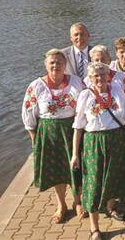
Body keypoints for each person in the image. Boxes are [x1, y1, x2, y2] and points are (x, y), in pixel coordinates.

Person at [71, 62, 125, 240]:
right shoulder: (85, 96)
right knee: (94, 182)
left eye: (103, 75)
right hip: (94, 143)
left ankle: (111, 207)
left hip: (117, 141)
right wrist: (74, 154)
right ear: (89, 78)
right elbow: (78, 126)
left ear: (108, 76)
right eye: (95, 75)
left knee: (114, 177)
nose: (99, 78)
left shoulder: (117, 90)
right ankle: (94, 228)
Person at [21, 49, 85, 223]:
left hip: (72, 130)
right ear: (46, 65)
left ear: (65, 65)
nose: (56, 65)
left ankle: (78, 201)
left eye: (59, 62)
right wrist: (35, 138)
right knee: (57, 170)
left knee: (76, 165)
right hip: (49, 133)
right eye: (52, 62)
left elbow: (86, 104)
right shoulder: (36, 86)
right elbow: (28, 113)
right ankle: (61, 204)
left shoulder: (76, 82)